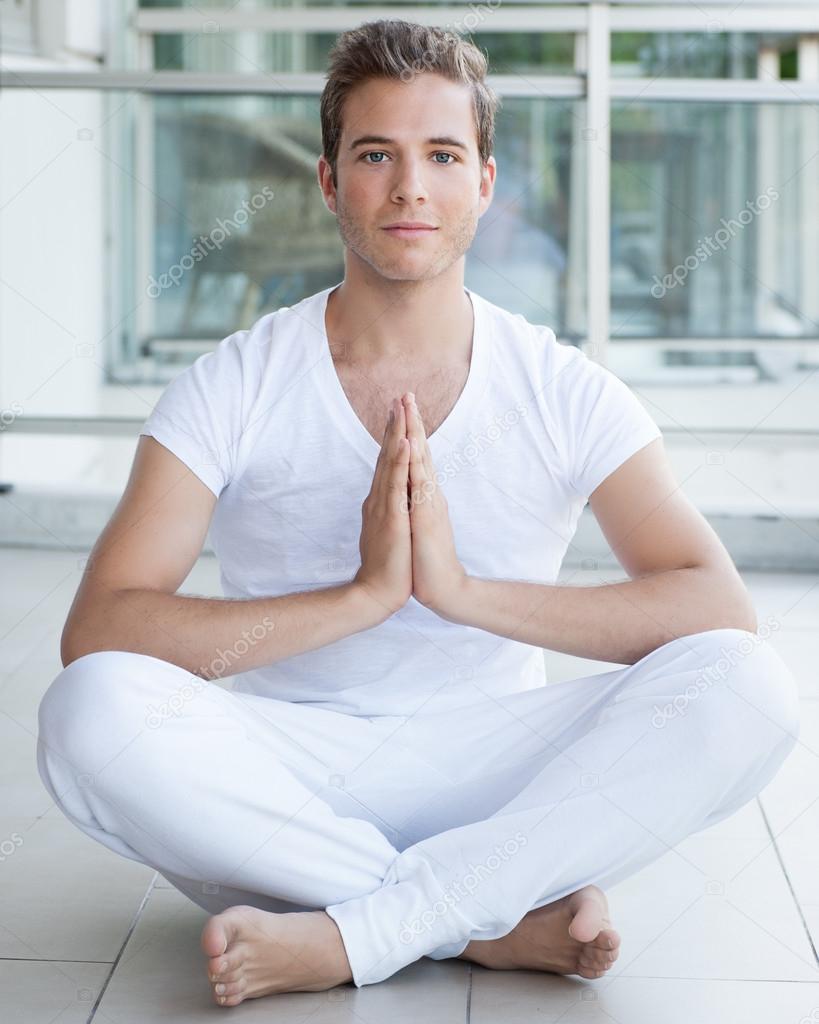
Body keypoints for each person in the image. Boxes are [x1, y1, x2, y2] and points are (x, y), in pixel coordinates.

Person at [36, 19, 800, 1010]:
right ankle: (484, 920)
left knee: (750, 685)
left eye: (442, 155)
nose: (410, 187)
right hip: (290, 768)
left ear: (485, 182)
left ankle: (366, 925)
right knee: (87, 712)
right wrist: (360, 597)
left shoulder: (566, 388)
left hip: (494, 769)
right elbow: (101, 627)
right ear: (328, 180)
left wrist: (462, 593)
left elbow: (715, 604)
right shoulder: (233, 381)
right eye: (375, 155)